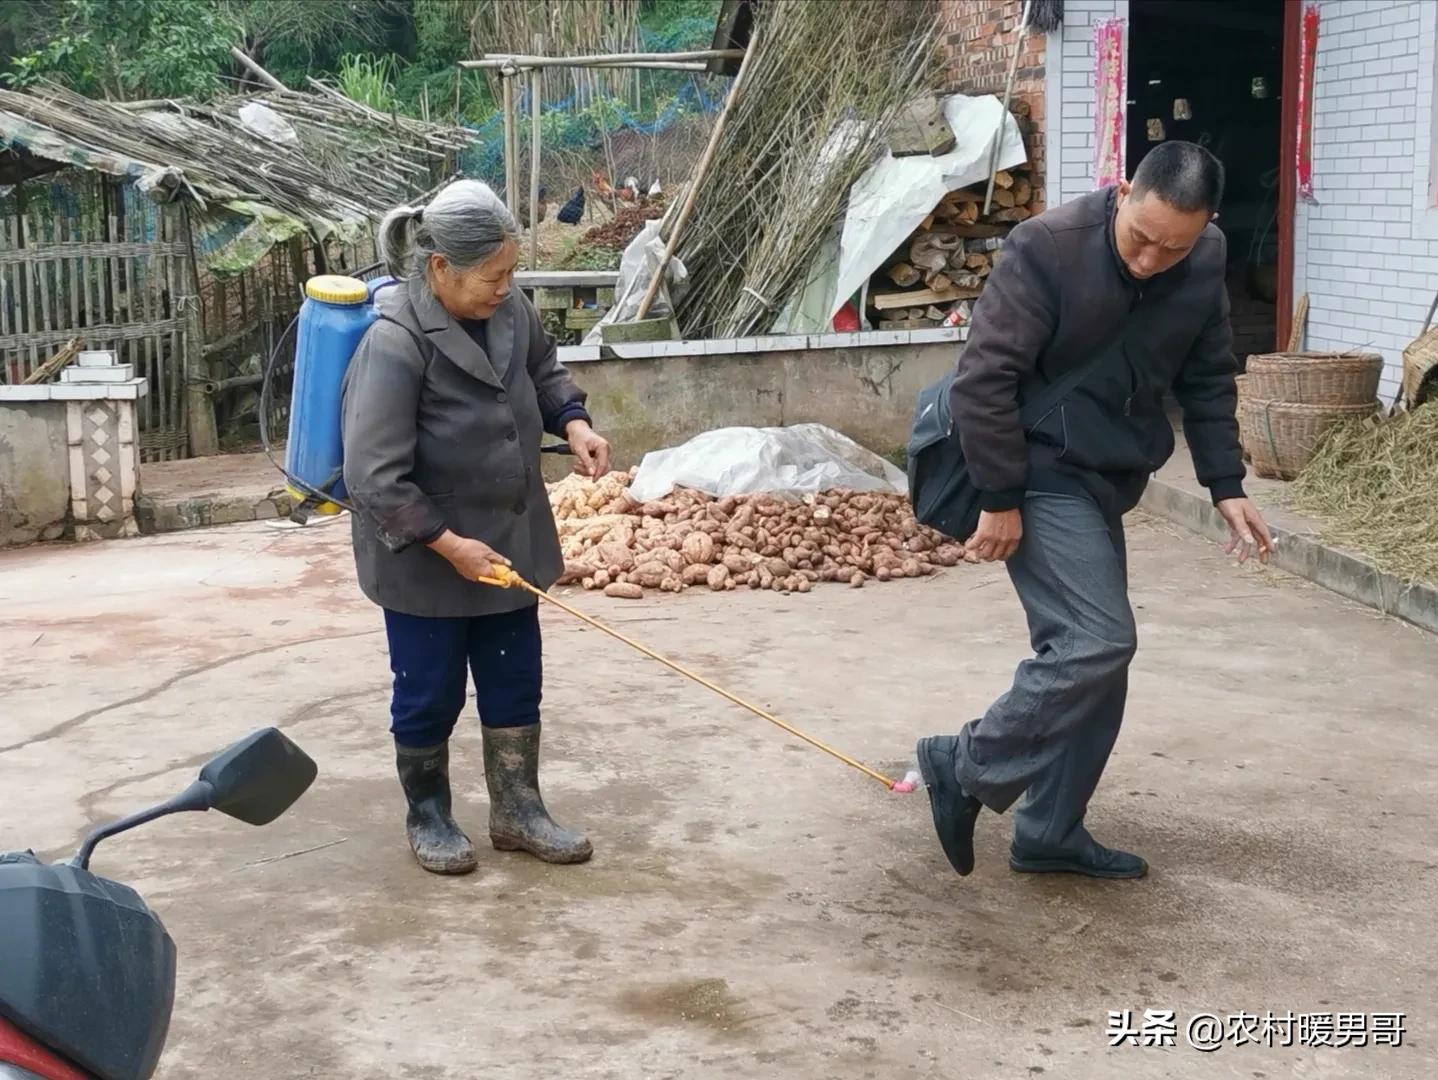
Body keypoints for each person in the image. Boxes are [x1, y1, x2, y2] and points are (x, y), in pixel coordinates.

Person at [916, 142, 1273, 880]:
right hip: (1035, 463)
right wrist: (1002, 498)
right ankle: (964, 761)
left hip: (1106, 472)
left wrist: (1225, 484)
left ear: (1203, 228)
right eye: (1141, 238)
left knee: (1099, 663)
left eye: (1172, 248)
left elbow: (1208, 378)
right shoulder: (1045, 247)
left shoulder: (1202, 259)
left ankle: (1048, 831)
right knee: (1096, 641)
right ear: (1122, 192)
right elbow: (985, 380)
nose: (1151, 261)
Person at [341, 179, 611, 875]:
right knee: (429, 690)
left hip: (510, 540)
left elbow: (544, 370)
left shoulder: (510, 309)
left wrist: (573, 422)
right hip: (426, 556)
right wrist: (450, 545)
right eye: (494, 276)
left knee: (515, 679)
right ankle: (428, 812)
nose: (506, 287)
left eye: (511, 272)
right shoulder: (395, 343)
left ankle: (519, 811)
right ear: (439, 268)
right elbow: (374, 477)